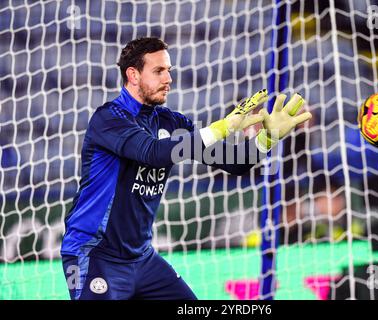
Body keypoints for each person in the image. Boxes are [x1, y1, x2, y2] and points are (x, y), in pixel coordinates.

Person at [60, 37, 311, 300]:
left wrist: (266, 139)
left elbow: (233, 162)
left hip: (142, 257)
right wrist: (222, 127)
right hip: (95, 253)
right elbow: (153, 153)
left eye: (169, 70)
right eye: (158, 71)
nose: (168, 78)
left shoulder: (171, 121)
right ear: (132, 75)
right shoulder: (108, 118)